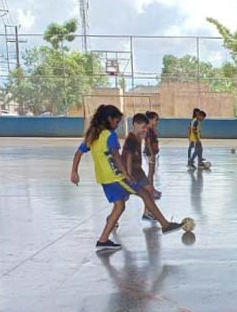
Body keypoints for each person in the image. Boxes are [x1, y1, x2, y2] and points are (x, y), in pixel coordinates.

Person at [70, 105, 182, 251]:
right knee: (145, 194)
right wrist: (127, 175)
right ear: (109, 119)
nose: (117, 126)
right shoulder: (110, 136)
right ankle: (165, 225)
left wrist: (74, 172)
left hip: (104, 179)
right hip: (116, 177)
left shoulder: (93, 135)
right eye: (116, 122)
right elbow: (116, 157)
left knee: (120, 206)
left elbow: (78, 153)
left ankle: (103, 240)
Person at [123, 113, 159, 221]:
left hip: (139, 172)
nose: (145, 130)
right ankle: (112, 219)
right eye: (143, 127)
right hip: (132, 174)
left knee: (149, 191)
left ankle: (147, 213)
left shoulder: (138, 137)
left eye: (146, 128)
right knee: (121, 201)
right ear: (135, 124)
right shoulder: (131, 139)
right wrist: (129, 175)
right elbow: (128, 158)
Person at [144, 110, 161, 198]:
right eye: (156, 119)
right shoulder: (148, 130)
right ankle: (150, 191)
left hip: (153, 153)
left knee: (152, 172)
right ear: (150, 120)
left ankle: (152, 188)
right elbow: (148, 142)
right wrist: (152, 155)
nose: (157, 121)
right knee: (150, 173)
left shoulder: (151, 129)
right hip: (150, 154)